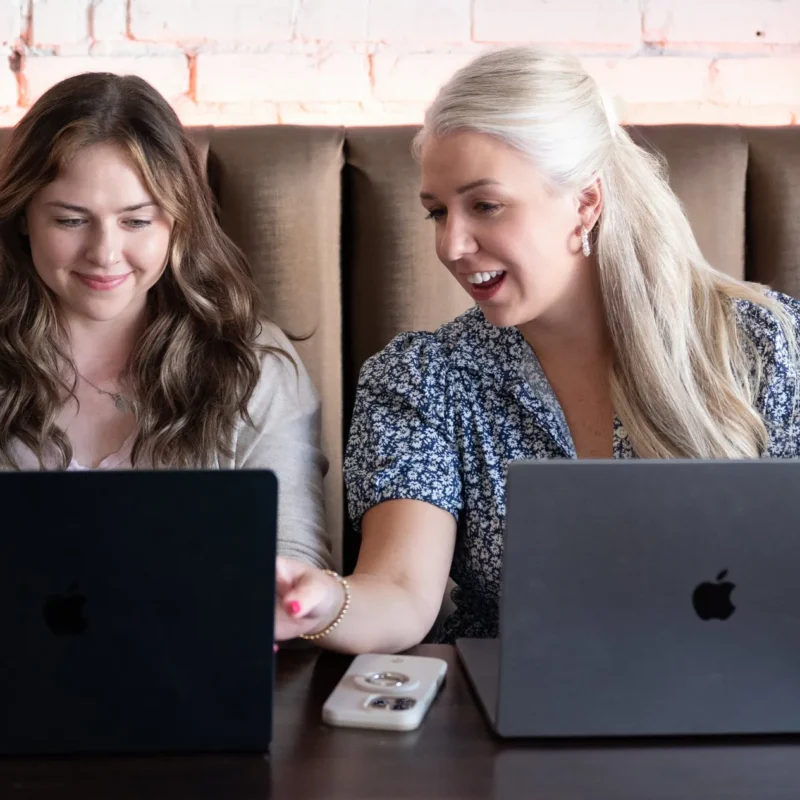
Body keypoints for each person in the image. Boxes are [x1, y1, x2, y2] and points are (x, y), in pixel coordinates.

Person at [274, 46, 800, 651]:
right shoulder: (421, 377)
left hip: (737, 707)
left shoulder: (767, 344)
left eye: (485, 206)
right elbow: (399, 590)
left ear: (585, 203)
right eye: (437, 213)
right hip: (502, 725)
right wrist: (321, 601)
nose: (451, 244)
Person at [0, 72, 332, 571]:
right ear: (24, 217)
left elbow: (294, 564)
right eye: (70, 220)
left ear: (178, 221)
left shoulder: (252, 366)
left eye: (136, 221)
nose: (105, 253)